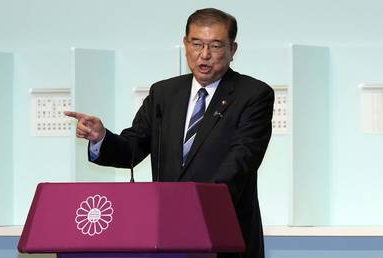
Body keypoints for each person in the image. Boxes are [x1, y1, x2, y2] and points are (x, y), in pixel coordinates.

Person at [65, 8, 274, 258]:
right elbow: (133, 149)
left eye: (216, 46)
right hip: (166, 233)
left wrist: (197, 206)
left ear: (233, 49)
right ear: (185, 44)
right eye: (196, 44)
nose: (204, 55)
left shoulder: (253, 95)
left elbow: (242, 160)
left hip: (224, 231)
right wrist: (101, 138)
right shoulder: (164, 93)